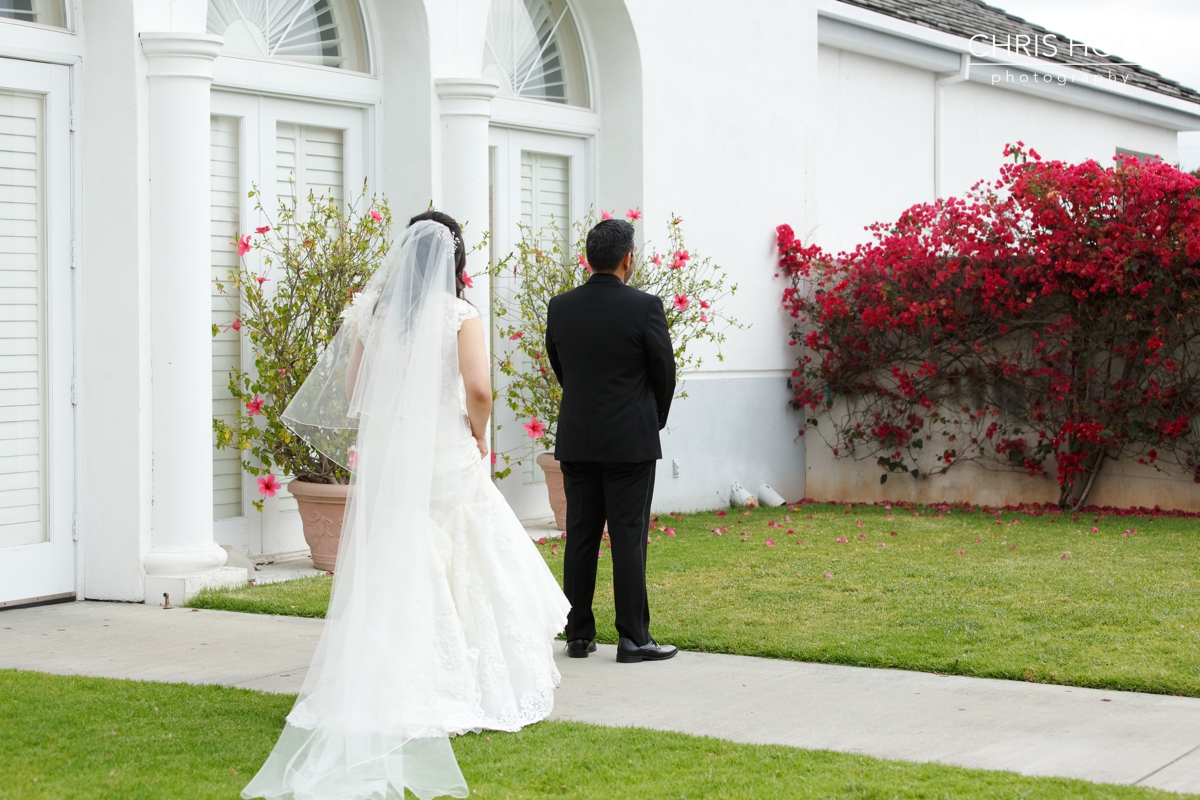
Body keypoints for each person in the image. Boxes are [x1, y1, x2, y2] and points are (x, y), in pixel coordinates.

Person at [242, 213, 570, 800]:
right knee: (469, 552)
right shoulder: (460, 315)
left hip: (394, 452)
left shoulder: (372, 313)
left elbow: (352, 389)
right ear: (455, 260)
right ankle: (465, 677)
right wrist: (478, 432)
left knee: (403, 557)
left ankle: (396, 675)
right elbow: (478, 390)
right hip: (445, 450)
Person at [545, 218, 678, 664]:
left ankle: (578, 635)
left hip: (578, 438)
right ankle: (634, 639)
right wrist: (650, 419)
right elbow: (664, 374)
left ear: (589, 258)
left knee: (579, 536)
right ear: (628, 259)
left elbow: (562, 367)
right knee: (628, 537)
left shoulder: (560, 307)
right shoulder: (645, 307)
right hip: (630, 442)